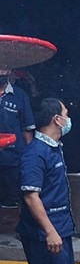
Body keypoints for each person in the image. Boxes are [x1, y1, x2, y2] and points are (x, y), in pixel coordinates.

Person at [15, 97, 80, 264]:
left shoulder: (53, 147)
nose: (68, 117)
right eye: (66, 113)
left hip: (61, 225)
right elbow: (31, 196)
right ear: (56, 119)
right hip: (46, 231)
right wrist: (50, 231)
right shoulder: (35, 154)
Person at [0, 68, 35, 208]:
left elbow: (27, 130)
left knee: (12, 204)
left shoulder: (19, 95)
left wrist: (30, 159)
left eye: (4, 68)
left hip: (12, 161)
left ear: (10, 70)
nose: (1, 72)